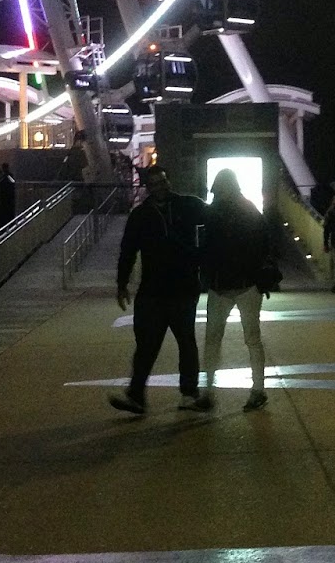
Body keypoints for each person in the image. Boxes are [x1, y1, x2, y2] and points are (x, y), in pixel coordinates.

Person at [111, 164, 207, 415]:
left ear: (169, 181)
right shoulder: (140, 215)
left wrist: (202, 259)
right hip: (152, 290)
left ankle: (189, 394)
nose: (160, 187)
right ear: (148, 187)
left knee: (186, 343)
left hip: (183, 289)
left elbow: (214, 220)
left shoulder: (188, 205)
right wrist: (121, 284)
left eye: (163, 182)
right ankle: (136, 396)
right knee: (146, 345)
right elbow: (128, 251)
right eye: (154, 184)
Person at [197, 168, 279, 412]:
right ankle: (258, 390)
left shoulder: (212, 213)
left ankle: (208, 392)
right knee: (252, 339)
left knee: (213, 340)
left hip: (220, 286)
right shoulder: (250, 210)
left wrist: (206, 274)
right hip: (247, 284)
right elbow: (265, 245)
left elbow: (206, 248)